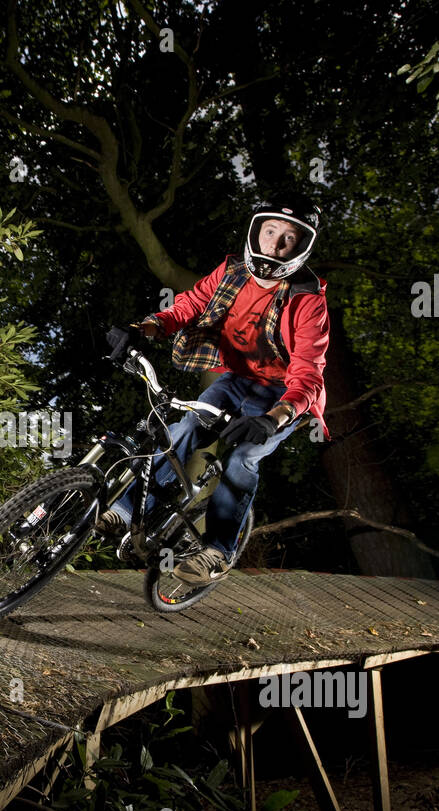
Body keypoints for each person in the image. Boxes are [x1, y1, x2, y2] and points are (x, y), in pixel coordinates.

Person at [96, 191, 332, 586]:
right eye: (269, 231)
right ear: (255, 231)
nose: (274, 244)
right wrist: (141, 329)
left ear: (301, 247)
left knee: (242, 457)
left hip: (283, 398)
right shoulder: (231, 272)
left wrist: (273, 421)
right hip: (237, 381)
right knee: (184, 430)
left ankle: (218, 551)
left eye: (287, 238)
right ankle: (124, 508)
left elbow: (308, 373)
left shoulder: (309, 301)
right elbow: (187, 306)